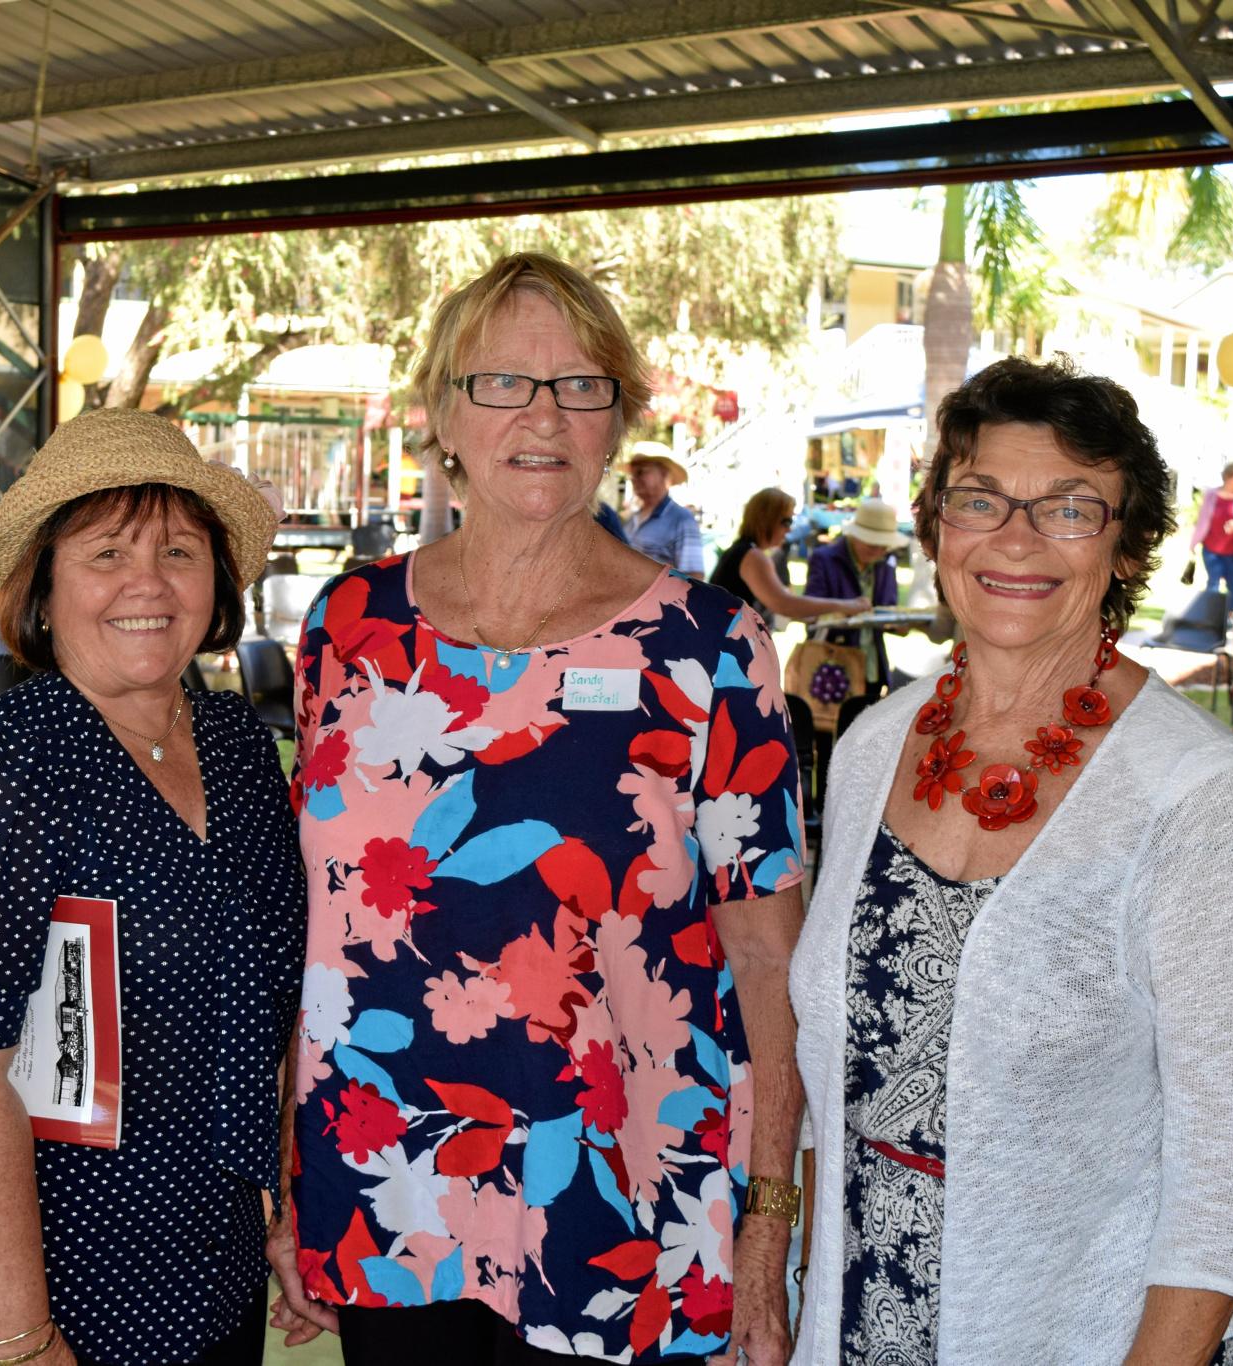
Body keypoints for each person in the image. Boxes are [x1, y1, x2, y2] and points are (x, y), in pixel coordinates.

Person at [268, 253, 808, 1365]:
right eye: (501, 382)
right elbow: (312, 923)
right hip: (386, 1181)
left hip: (628, 1206)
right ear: (440, 413)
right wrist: (289, 1178)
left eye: (579, 385)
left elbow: (766, 956)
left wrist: (766, 1223)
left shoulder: (706, 646)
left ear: (618, 418)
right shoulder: (349, 624)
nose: (543, 416)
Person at [789, 356, 1233, 1365]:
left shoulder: (1192, 790)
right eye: (979, 498)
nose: (1014, 538)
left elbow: (1226, 1176)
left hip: (1065, 1329)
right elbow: (832, 1090)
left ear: (1123, 545)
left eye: (1069, 508)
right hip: (851, 1326)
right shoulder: (866, 753)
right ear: (939, 520)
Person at [0, 407, 305, 1366]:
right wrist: (20, 1336)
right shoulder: (0, 762)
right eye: (107, 553)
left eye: (181, 552)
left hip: (201, 1264)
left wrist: (275, 1207)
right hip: (15, 1280)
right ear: (45, 588)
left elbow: (262, 1004)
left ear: (217, 584)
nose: (148, 584)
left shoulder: (236, 748)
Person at [710, 488, 869, 623]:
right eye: (786, 521)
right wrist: (847, 605)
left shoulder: (743, 551)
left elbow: (785, 605)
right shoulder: (753, 556)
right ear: (765, 520)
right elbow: (785, 605)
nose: (790, 529)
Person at [804, 498, 908, 696]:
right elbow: (809, 612)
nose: (878, 551)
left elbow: (887, 608)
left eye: (883, 546)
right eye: (872, 544)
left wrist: (899, 624)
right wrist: (846, 607)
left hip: (872, 670)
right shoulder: (824, 559)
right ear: (855, 536)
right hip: (831, 668)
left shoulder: (884, 563)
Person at [621, 440, 705, 576]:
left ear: (664, 474)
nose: (634, 479)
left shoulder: (682, 520)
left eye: (641, 472)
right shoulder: (632, 517)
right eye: (632, 474)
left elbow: (693, 579)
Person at [1189, 460, 1233, 612]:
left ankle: (1230, 618)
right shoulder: (1212, 495)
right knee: (1213, 583)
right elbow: (1202, 520)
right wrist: (1194, 543)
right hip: (1211, 549)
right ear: (1228, 477)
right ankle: (1211, 617)